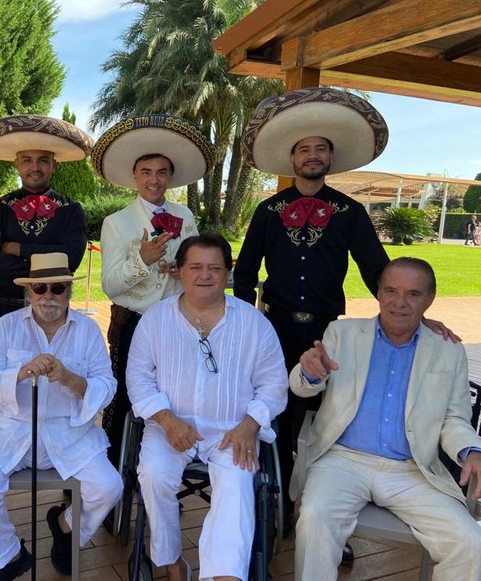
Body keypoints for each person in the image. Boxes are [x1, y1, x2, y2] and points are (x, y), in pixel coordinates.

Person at [233, 87, 456, 541]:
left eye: (321, 149)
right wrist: (242, 319)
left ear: (330, 158)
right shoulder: (268, 210)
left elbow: (378, 269)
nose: (312, 155)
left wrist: (411, 312)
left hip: (327, 331)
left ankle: (324, 517)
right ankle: (273, 506)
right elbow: (246, 270)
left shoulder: (350, 212)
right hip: (274, 327)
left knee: (327, 418)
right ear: (292, 158)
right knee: (275, 415)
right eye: (304, 149)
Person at [290, 257, 481, 581]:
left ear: (429, 300)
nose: (399, 302)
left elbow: (454, 418)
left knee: (470, 542)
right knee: (315, 516)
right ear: (378, 292)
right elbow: (302, 387)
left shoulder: (447, 350)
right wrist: (309, 372)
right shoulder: (342, 333)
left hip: (412, 469)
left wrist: (471, 450)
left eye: (413, 294)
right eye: (391, 290)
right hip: (342, 460)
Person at [127, 234, 288, 581]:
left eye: (214, 268)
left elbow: (275, 383)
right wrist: (167, 420)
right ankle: (172, 563)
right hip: (169, 427)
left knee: (237, 481)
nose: (205, 275)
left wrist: (250, 424)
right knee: (153, 473)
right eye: (196, 267)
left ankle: (224, 575)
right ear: (180, 271)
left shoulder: (254, 323)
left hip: (232, 429)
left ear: (227, 272)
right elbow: (137, 378)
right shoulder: (155, 319)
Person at [0, 253, 122, 580]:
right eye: (40, 288)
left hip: (70, 433)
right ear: (29, 290)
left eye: (58, 287)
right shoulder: (7, 326)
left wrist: (70, 379)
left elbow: (107, 386)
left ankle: (65, 525)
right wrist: (20, 373)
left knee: (108, 487)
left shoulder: (88, 330)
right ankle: (8, 556)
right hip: (10, 431)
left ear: (69, 291)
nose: (48, 295)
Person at [90, 114, 213, 467]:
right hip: (134, 322)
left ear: (170, 176)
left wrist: (183, 269)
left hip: (178, 323)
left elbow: (197, 265)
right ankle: (116, 472)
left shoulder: (185, 215)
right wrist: (141, 260)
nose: (153, 179)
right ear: (135, 177)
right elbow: (110, 285)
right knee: (125, 397)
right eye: (146, 172)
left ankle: (164, 466)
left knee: (173, 397)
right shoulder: (116, 223)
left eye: (161, 172)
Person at [0, 114, 91, 329]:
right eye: (27, 160)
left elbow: (72, 258)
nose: (35, 167)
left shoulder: (70, 209)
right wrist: (50, 262)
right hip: (5, 309)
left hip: (54, 311)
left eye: (43, 160)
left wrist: (19, 249)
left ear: (54, 164)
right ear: (16, 164)